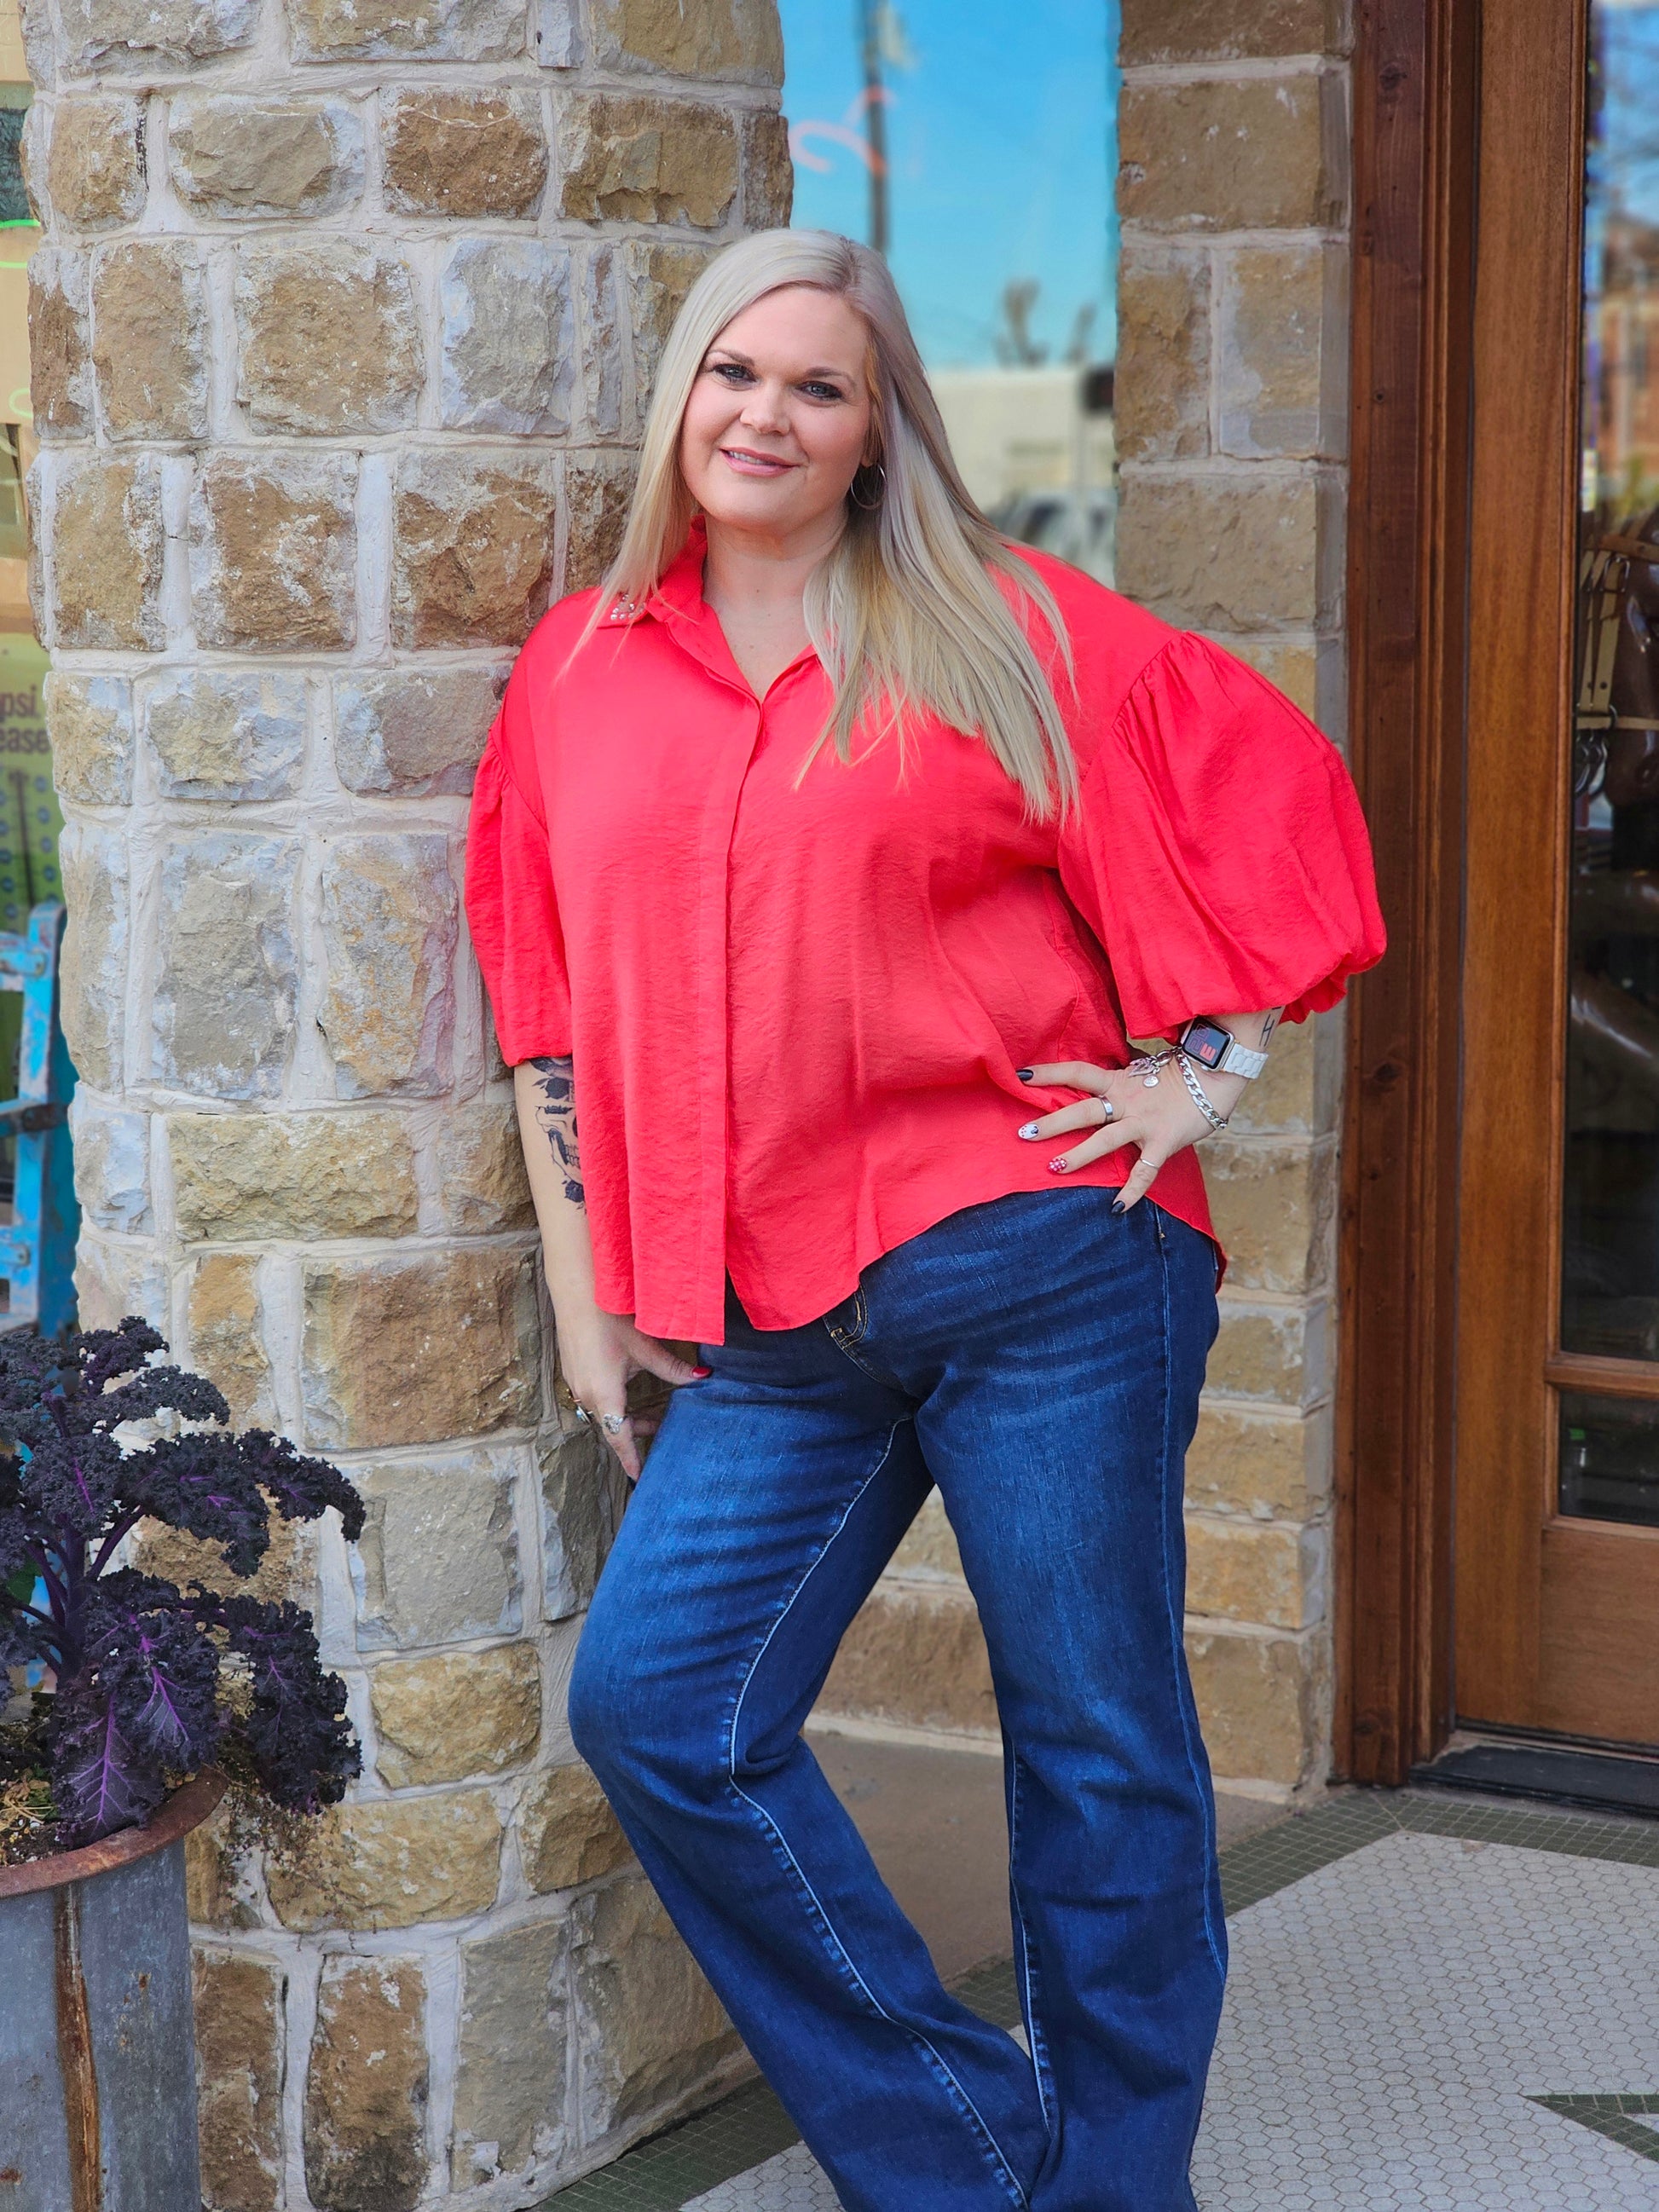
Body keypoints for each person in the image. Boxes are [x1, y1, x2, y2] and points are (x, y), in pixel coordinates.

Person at [465, 228, 1383, 2212]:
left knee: (1092, 1742)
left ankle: (1115, 2186)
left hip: (1036, 1264)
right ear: (680, 396)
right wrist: (585, 1289)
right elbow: (545, 1003)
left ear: (878, 429)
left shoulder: (1000, 626)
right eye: (735, 372)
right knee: (661, 1709)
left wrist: (1203, 1070)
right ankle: (962, 2161)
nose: (765, 415)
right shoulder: (580, 669)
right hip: (767, 1315)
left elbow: (1269, 784)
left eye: (818, 384)